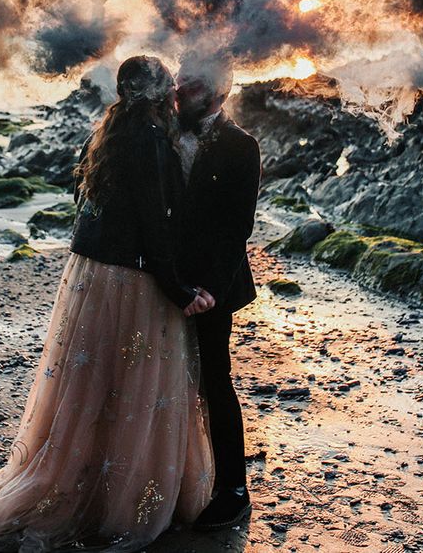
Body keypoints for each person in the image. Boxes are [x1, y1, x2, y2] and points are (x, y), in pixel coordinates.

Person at [0, 56, 215, 552]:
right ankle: (120, 503)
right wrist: (179, 290)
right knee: (133, 386)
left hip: (90, 278)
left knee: (92, 385)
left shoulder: (103, 136)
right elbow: (154, 224)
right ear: (158, 95)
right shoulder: (150, 142)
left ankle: (88, 482)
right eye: (169, 87)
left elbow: (89, 210)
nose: (175, 95)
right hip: (131, 280)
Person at [174, 51, 261, 531]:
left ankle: (233, 489)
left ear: (220, 92)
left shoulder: (240, 146)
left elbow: (236, 229)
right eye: (179, 79)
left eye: (191, 83)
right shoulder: (161, 133)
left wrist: (204, 289)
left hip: (212, 286)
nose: (179, 90)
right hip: (159, 281)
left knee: (214, 380)